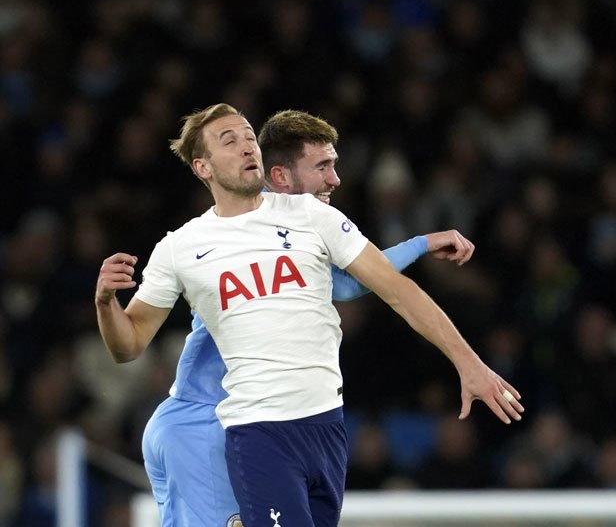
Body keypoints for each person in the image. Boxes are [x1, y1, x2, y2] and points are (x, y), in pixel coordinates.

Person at [95, 104, 524, 527]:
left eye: (249, 136)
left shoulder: (311, 217)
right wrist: (104, 303)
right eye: (231, 141)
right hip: (217, 426)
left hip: (323, 425)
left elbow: (365, 286)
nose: (248, 147)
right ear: (203, 167)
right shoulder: (183, 246)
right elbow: (128, 344)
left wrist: (468, 361)